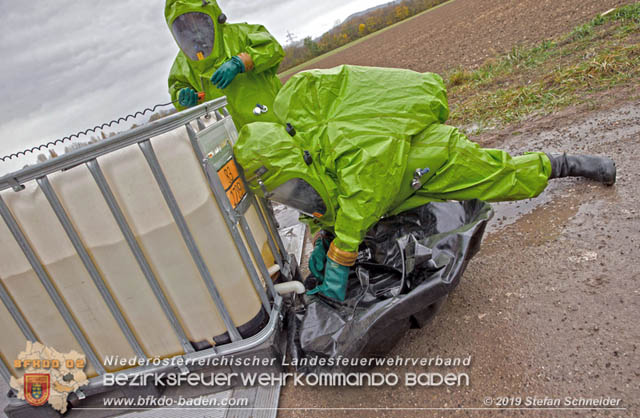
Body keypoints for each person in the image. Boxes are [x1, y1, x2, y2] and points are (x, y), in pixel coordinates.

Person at [234, 65, 616, 302]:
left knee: (502, 177)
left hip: (427, 159)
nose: (291, 194)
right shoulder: (305, 153)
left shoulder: (341, 140)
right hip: (402, 184)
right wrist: (322, 236)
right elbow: (323, 193)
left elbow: (365, 187)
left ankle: (567, 164)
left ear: (291, 156)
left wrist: (340, 254)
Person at [165, 0, 285, 129]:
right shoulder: (183, 63)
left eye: (196, 19)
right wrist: (183, 98)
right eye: (184, 25)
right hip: (235, 140)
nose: (193, 28)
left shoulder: (239, 34)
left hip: (274, 124)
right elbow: (177, 89)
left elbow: (272, 48)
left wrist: (242, 61)